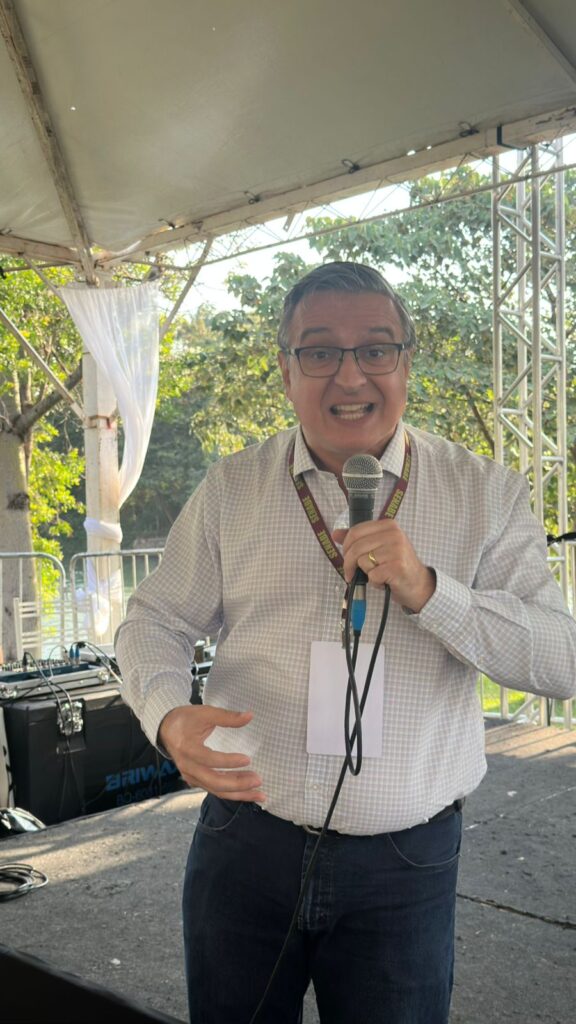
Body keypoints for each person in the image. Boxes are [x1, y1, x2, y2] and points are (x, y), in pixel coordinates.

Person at [115, 262, 576, 1024]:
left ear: (407, 364)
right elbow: (153, 620)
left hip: (405, 862)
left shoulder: (485, 494)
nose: (351, 375)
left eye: (376, 349)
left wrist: (430, 589)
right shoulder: (233, 488)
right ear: (286, 369)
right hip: (246, 840)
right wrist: (166, 713)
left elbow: (562, 658)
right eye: (321, 351)